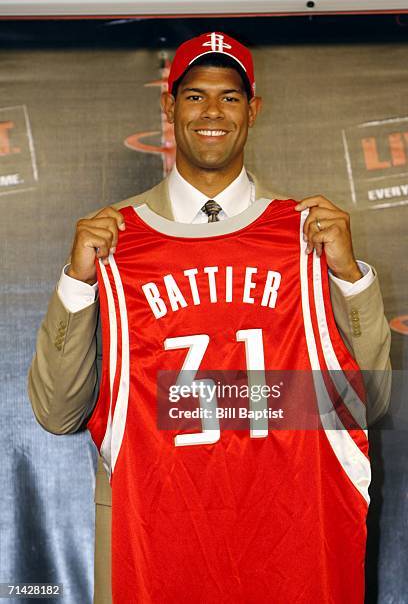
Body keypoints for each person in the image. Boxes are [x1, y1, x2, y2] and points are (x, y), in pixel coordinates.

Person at [28, 32, 391, 604]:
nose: (212, 112)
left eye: (228, 96)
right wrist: (79, 285)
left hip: (287, 553)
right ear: (169, 109)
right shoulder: (112, 243)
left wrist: (349, 278)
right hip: (155, 556)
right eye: (195, 96)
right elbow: (56, 412)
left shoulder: (311, 239)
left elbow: (368, 398)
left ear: (253, 110)